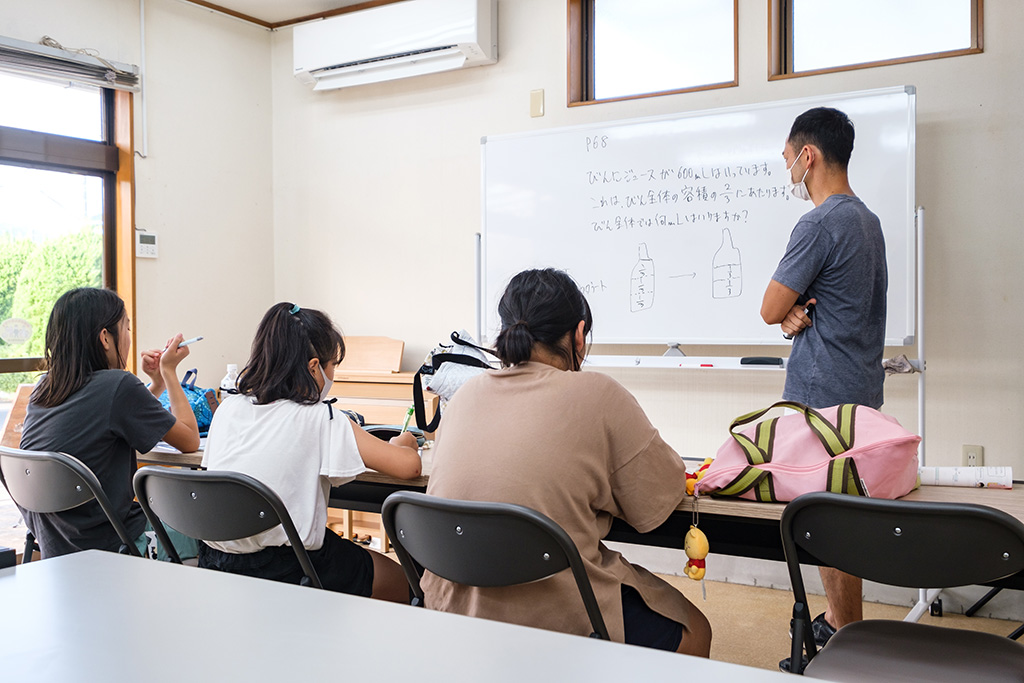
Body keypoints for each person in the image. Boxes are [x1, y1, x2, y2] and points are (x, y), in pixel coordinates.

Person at [421, 268, 712, 656]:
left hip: (452, 609)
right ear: (578, 334)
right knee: (697, 630)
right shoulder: (598, 393)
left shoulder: (466, 395)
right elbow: (656, 501)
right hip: (557, 613)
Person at [761, 107, 887, 666]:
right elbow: (820, 306)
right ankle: (842, 626)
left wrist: (787, 313)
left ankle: (844, 640)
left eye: (788, 159)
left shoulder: (817, 224)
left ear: (807, 155)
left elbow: (769, 309)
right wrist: (796, 313)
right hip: (861, 391)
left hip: (820, 397)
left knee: (824, 524)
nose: (788, 169)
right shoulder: (869, 221)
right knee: (844, 520)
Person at [199, 303, 421, 602]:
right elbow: (409, 468)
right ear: (314, 367)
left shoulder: (228, 408)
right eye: (333, 366)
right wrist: (402, 443)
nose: (333, 375)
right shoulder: (320, 417)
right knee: (402, 579)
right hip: (290, 568)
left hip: (215, 562)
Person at [16, 287, 201, 560]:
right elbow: (189, 441)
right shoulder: (118, 385)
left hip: (58, 544)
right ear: (105, 337)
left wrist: (156, 384)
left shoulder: (46, 387)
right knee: (209, 531)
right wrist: (170, 373)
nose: (128, 337)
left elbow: (112, 418)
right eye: (126, 328)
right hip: (112, 542)